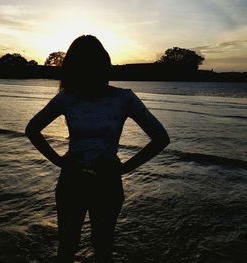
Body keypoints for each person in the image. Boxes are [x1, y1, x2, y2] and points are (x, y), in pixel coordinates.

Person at [25, 35, 170, 263]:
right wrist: (59, 161)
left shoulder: (124, 98)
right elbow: (32, 129)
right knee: (71, 247)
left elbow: (161, 138)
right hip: (75, 180)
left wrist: (124, 169)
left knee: (100, 247)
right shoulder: (67, 98)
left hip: (105, 182)